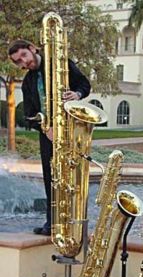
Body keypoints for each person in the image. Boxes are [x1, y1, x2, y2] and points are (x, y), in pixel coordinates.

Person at [8, 39, 91, 236]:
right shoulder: (28, 82)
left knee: (74, 177)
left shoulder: (60, 65)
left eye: (24, 57)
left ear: (32, 49)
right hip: (49, 135)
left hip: (72, 129)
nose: (23, 63)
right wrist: (45, 129)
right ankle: (52, 223)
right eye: (18, 62)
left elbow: (85, 84)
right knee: (51, 178)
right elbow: (29, 113)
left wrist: (77, 94)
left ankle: (76, 221)